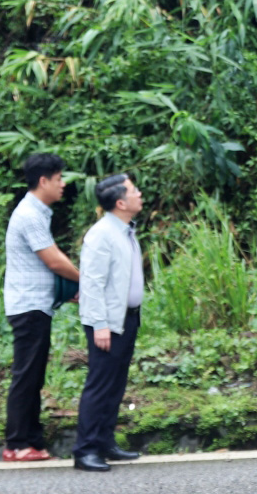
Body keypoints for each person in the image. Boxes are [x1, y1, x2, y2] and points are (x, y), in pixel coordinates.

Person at [2, 152, 81, 463]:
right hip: (28, 306)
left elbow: (46, 264)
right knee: (27, 375)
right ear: (43, 180)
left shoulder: (36, 212)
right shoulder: (30, 215)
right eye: (59, 179)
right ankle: (18, 443)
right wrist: (84, 282)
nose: (63, 184)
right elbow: (53, 260)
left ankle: (30, 440)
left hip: (35, 304)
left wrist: (68, 289)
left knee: (33, 375)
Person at [73, 173, 145, 473]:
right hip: (107, 323)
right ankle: (86, 450)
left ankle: (105, 442)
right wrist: (100, 324)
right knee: (100, 385)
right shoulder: (101, 234)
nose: (139, 193)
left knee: (115, 383)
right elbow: (91, 283)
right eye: (133, 190)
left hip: (127, 318)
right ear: (120, 202)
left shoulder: (125, 230)